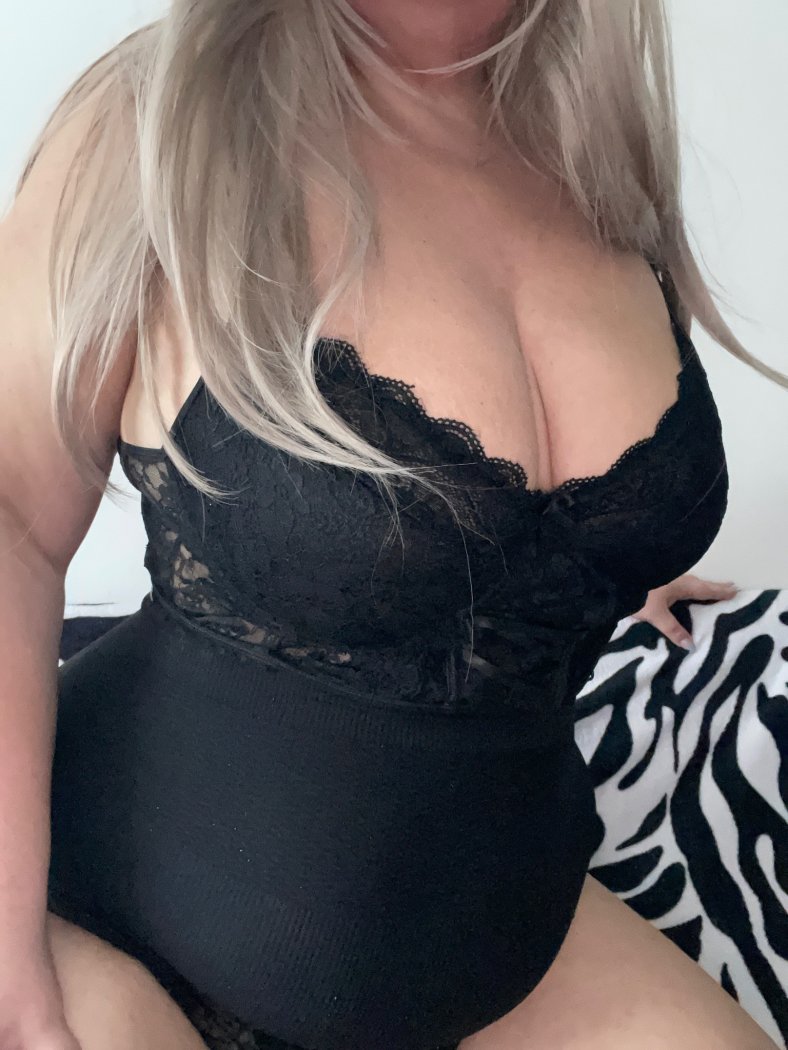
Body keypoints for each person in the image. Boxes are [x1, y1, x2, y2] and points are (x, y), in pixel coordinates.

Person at [0, 2, 784, 1049]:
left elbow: (514, 527)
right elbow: (10, 514)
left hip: (504, 932)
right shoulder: (158, 123)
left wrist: (602, 564)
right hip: (110, 919)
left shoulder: (585, 139)